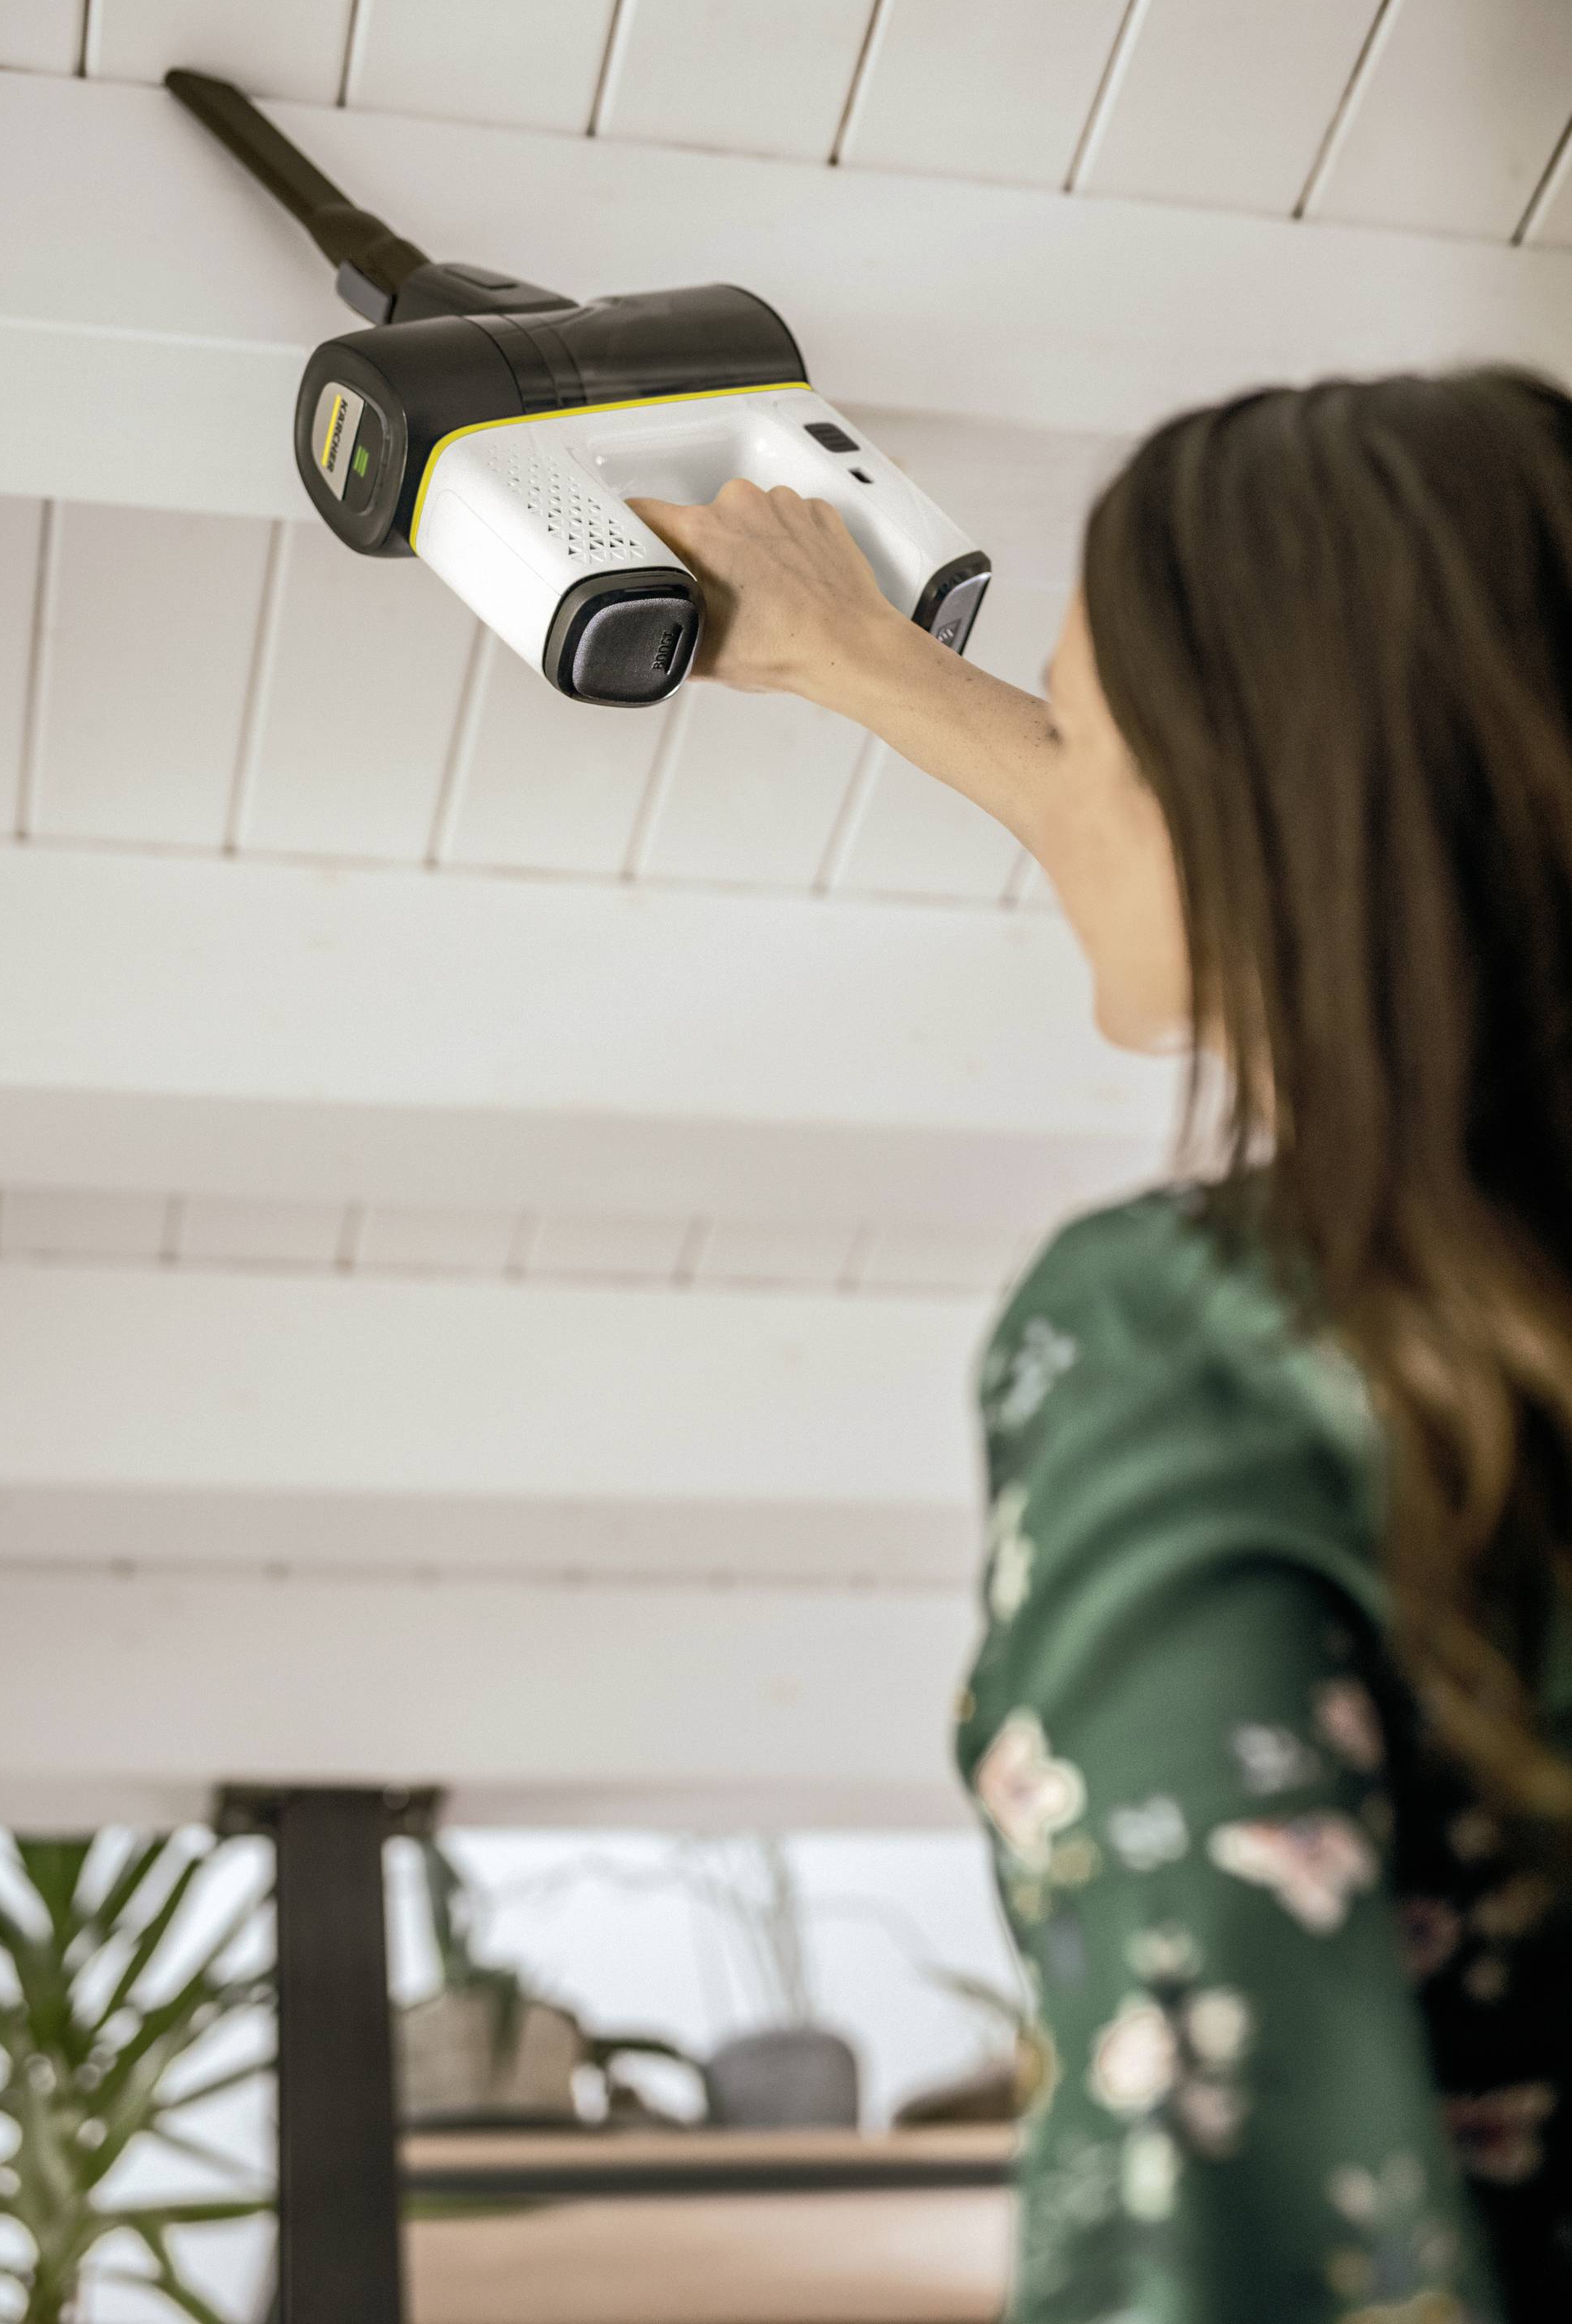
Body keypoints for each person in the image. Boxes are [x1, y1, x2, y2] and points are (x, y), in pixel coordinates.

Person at [631, 369, 1572, 2324]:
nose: (1059, 780)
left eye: (1091, 722)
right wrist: (852, 653)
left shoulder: (1206, 1336)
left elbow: (1216, 2174)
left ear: (1247, 799)